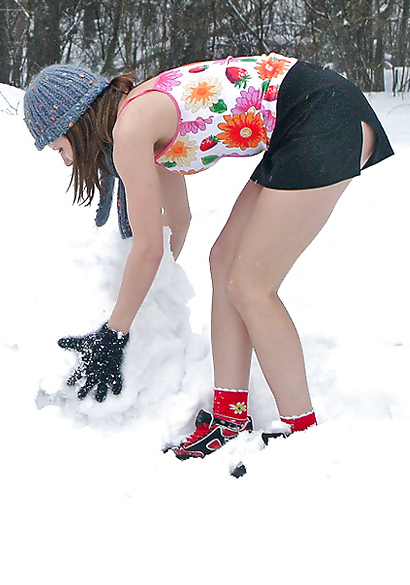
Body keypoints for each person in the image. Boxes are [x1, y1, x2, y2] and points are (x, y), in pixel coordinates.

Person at [22, 55, 393, 459]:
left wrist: (114, 334)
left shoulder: (131, 130)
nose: (67, 161)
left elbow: (148, 247)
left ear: (75, 126)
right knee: (225, 261)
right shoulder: (138, 118)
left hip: (322, 117)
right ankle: (229, 417)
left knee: (252, 286)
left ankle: (302, 435)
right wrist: (156, 296)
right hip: (306, 118)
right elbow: (177, 221)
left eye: (60, 148)